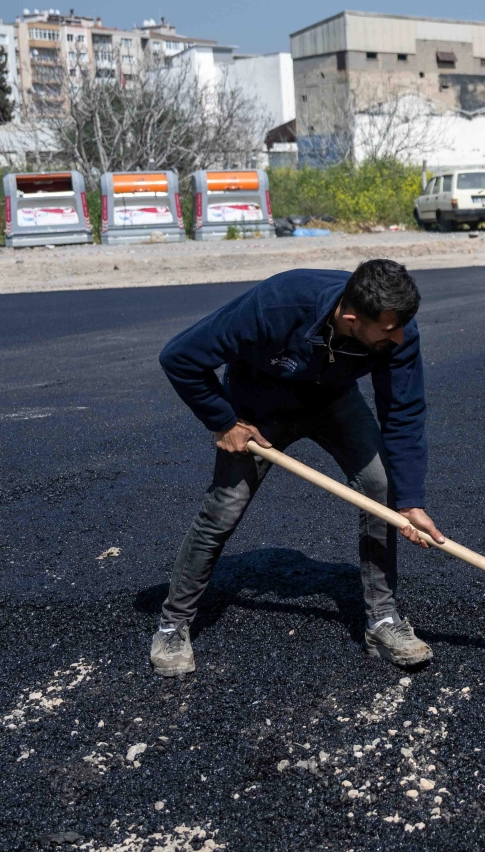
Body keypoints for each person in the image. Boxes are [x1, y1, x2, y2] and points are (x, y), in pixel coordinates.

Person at [150, 260, 445, 677]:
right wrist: (223, 421)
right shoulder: (277, 304)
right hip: (258, 405)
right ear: (350, 318)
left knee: (382, 489)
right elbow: (179, 357)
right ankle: (172, 624)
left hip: (333, 402)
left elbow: (403, 413)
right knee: (223, 509)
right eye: (387, 330)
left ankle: (382, 621)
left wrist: (410, 500)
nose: (398, 337)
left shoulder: (398, 328)